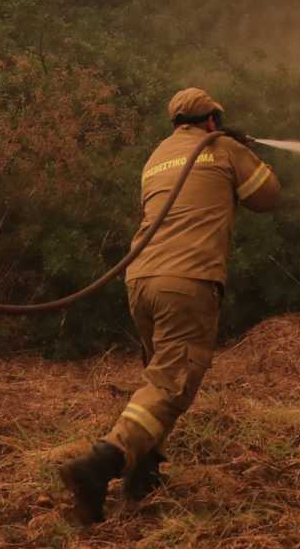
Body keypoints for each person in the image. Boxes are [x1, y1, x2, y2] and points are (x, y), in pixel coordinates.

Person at [59, 87, 281, 523]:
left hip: (141, 278)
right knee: (171, 383)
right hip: (187, 279)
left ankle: (141, 476)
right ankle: (101, 464)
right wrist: (247, 151)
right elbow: (268, 196)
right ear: (213, 120)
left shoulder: (158, 155)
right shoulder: (223, 148)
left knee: (157, 377)